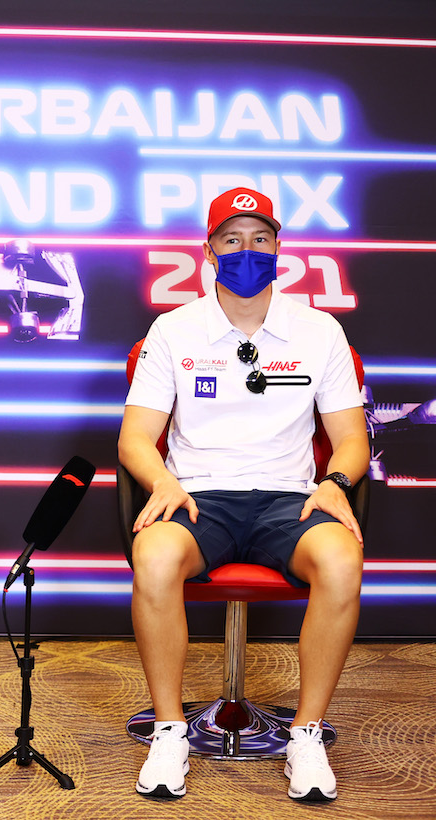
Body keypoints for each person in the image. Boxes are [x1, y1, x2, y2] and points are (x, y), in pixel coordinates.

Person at [118, 187, 368, 802]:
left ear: (279, 249)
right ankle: (171, 729)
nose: (247, 251)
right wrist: (165, 480)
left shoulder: (319, 331)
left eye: (260, 239)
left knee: (341, 559)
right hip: (201, 497)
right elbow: (135, 439)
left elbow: (351, 439)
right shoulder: (173, 330)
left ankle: (305, 736)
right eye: (233, 239)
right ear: (209, 251)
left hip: (290, 499)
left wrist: (335, 482)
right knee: (153, 557)